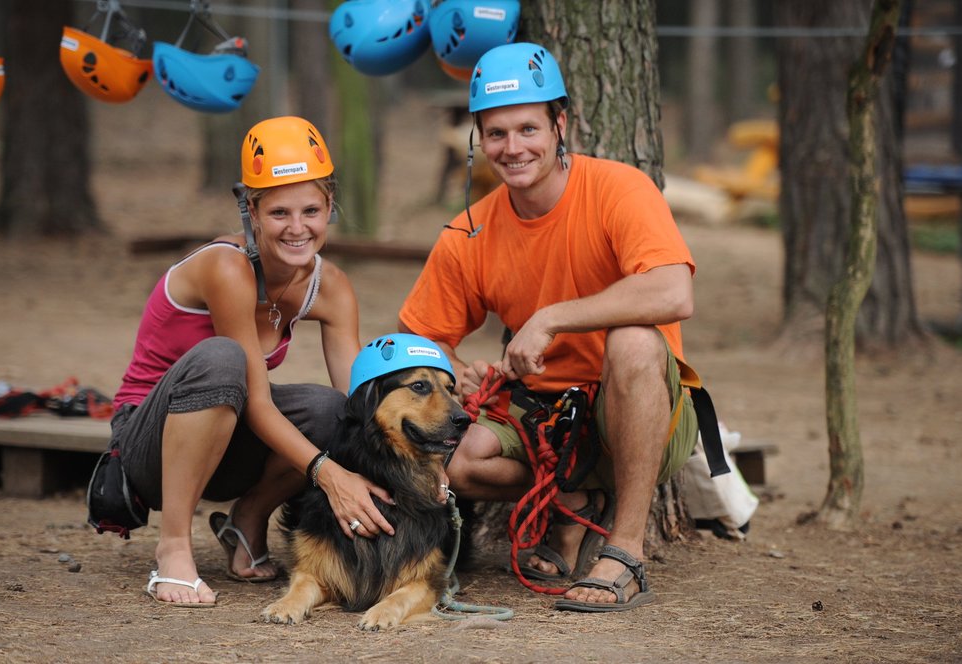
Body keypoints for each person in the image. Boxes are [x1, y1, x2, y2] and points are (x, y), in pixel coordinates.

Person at [398, 42, 713, 612]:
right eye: (496, 134)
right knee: (452, 453)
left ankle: (625, 552)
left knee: (637, 341)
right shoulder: (469, 232)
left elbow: (674, 291)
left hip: (642, 412)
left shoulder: (620, 188)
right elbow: (412, 342)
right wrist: (447, 373)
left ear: (559, 123)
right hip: (544, 415)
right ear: (478, 138)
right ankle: (575, 496)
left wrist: (551, 317)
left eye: (528, 129)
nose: (513, 148)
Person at [110, 116, 395, 608]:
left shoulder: (332, 288)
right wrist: (331, 475)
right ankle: (174, 545)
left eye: (311, 210)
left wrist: (415, 460)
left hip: (228, 440)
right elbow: (256, 397)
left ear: (330, 207)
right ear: (252, 211)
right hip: (148, 449)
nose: (297, 227)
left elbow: (358, 400)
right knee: (224, 360)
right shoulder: (227, 267)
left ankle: (249, 517)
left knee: (333, 411)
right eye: (279, 212)